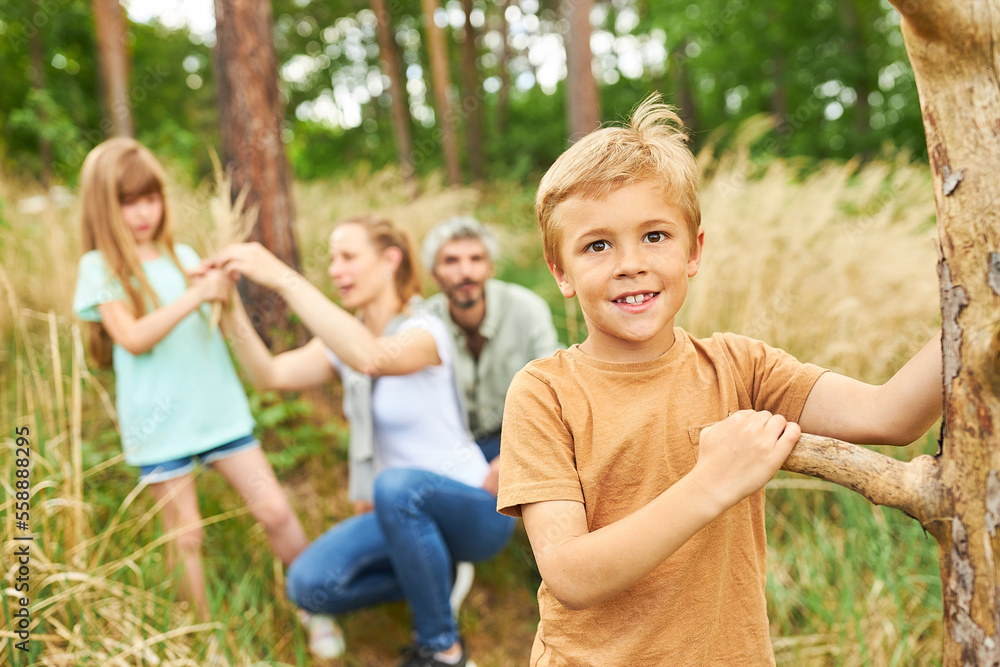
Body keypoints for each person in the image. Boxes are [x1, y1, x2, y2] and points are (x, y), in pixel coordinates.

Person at [495, 96, 943, 665]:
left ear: (694, 251)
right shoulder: (544, 392)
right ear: (560, 270)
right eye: (597, 245)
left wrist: (977, 313)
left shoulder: (741, 367)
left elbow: (890, 415)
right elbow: (571, 575)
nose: (630, 263)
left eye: (655, 236)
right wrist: (712, 482)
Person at [212, 214, 516, 667]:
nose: (335, 270)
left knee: (394, 486)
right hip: (401, 511)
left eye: (348, 257)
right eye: (332, 259)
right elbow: (270, 375)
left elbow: (372, 357)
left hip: (473, 504)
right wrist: (227, 308)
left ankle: (444, 650)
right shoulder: (343, 343)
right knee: (309, 583)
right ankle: (434, 572)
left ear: (390, 261)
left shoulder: (426, 329)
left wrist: (280, 276)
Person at [71, 138, 309, 624]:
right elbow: (133, 337)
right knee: (186, 538)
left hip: (218, 411)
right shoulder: (100, 267)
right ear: (104, 206)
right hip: (159, 426)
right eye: (127, 202)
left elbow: (218, 320)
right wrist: (194, 294)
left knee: (275, 511)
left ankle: (316, 603)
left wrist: (218, 289)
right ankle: (203, 637)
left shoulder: (182, 255)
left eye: (150, 198)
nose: (142, 213)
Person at [423, 217, 561, 492]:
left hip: (520, 438)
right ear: (433, 272)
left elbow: (553, 389)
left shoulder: (526, 309)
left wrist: (510, 455)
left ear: (490, 267)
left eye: (476, 259)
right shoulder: (424, 322)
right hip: (453, 448)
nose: (466, 272)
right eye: (451, 261)